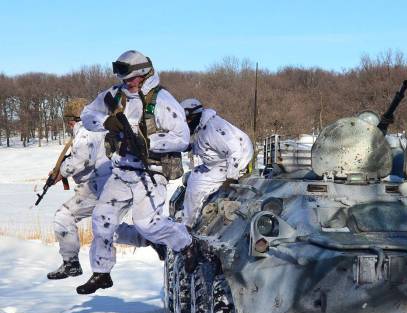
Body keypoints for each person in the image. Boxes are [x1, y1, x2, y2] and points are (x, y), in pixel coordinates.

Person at [77, 50, 194, 295]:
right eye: (123, 78)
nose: (126, 82)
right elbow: (88, 114)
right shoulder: (115, 95)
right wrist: (106, 123)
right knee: (102, 220)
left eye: (130, 78)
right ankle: (101, 272)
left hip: (150, 171)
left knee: (146, 224)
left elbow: (182, 138)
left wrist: (149, 142)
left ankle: (184, 242)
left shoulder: (162, 100)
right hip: (121, 171)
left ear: (143, 74)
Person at [47, 98, 112, 279]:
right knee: (107, 226)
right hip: (106, 184)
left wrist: (61, 172)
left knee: (64, 216)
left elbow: (81, 159)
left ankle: (71, 263)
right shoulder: (100, 128)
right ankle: (150, 238)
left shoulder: (86, 132)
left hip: (96, 185)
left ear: (71, 120)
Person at [180, 98, 253, 228]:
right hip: (220, 162)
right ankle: (187, 216)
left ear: (193, 117)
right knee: (193, 176)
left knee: (196, 186)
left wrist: (230, 178)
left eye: (186, 121)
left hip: (234, 163)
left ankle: (187, 225)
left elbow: (235, 151)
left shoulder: (212, 128)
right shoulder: (203, 127)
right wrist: (189, 147)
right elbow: (208, 147)